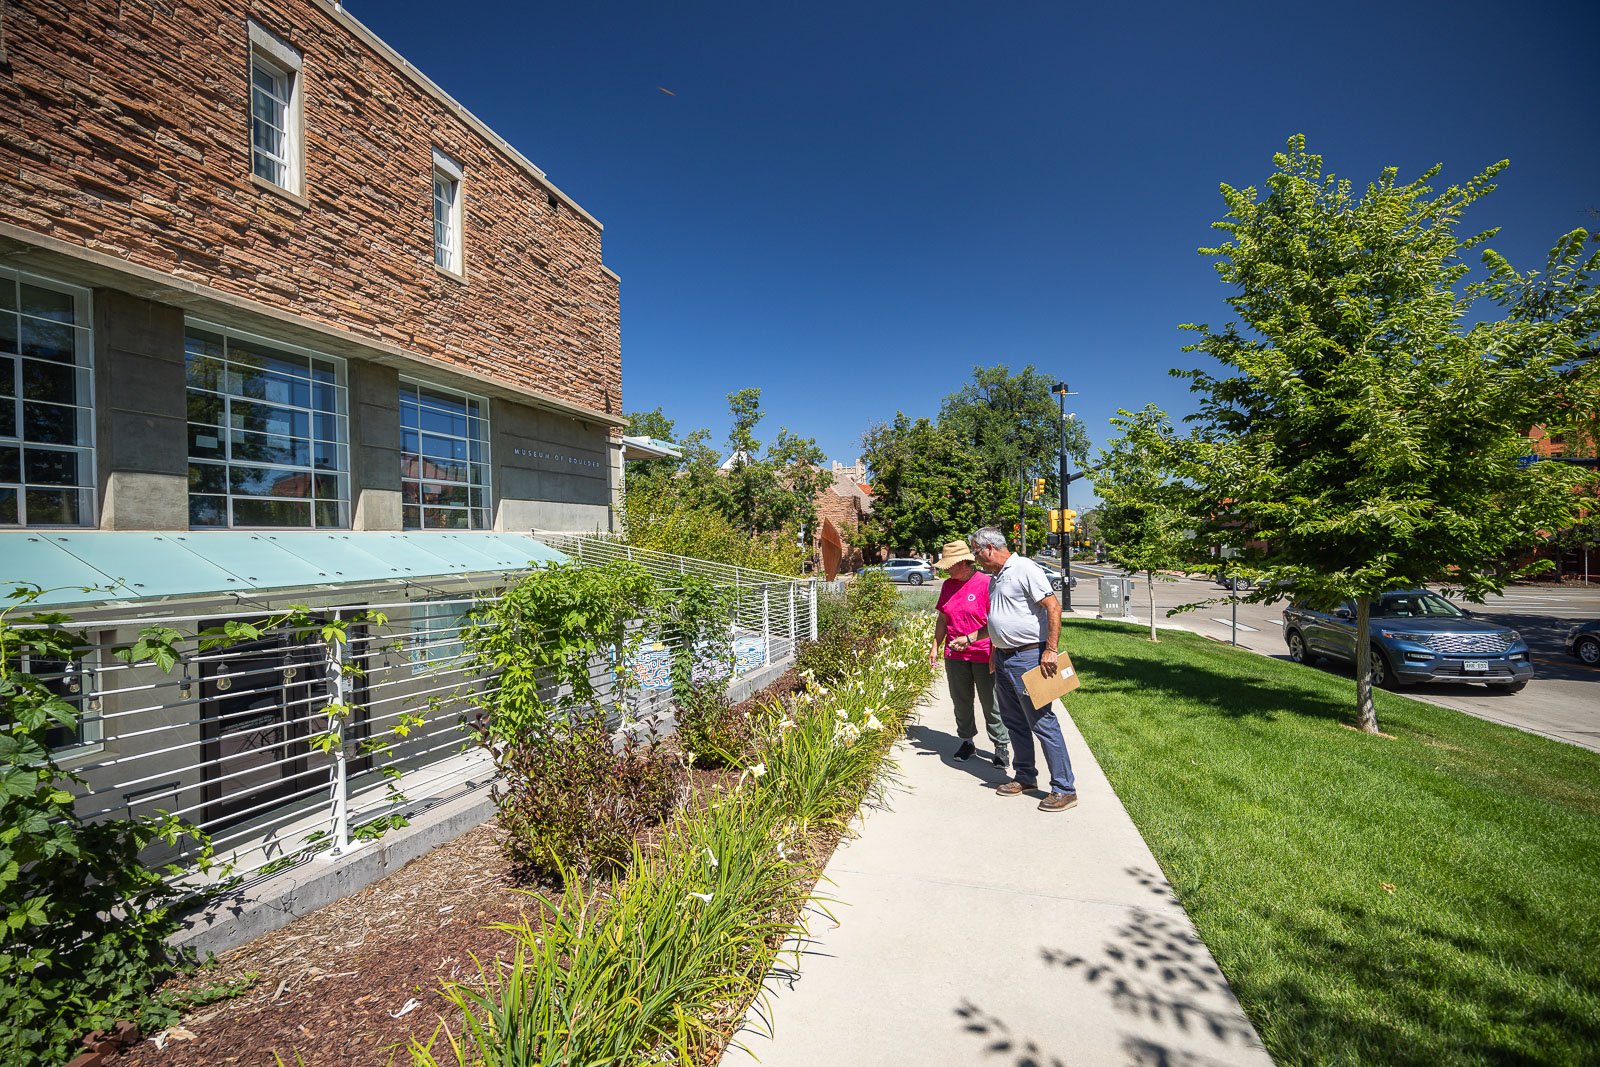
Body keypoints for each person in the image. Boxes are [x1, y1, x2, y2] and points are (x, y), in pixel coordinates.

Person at [947, 526, 1078, 813]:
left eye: (977, 553)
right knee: (1014, 721)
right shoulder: (997, 577)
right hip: (1004, 659)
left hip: (1029, 657)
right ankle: (1025, 776)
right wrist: (986, 643)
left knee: (1042, 722)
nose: (977, 560)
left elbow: (1053, 608)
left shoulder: (1024, 568)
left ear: (990, 548)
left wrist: (1050, 650)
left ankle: (1064, 788)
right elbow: (1000, 620)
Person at [928, 540, 1009, 768]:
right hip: (955, 656)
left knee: (990, 702)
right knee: (961, 701)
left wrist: (994, 651)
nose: (946, 570)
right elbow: (943, 618)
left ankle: (1000, 745)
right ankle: (967, 741)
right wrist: (936, 645)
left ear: (964, 563)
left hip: (984, 654)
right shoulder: (948, 586)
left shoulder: (986, 584)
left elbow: (996, 622)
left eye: (949, 565)